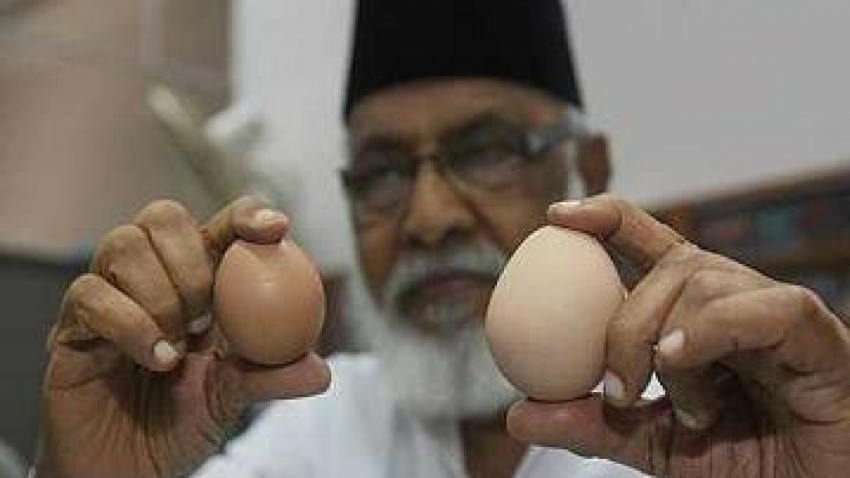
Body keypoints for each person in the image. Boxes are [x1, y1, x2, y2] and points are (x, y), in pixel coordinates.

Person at [32, 0, 850, 477]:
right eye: (381, 172)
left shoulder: (725, 431)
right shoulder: (322, 430)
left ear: (588, 167)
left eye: (487, 150)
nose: (427, 219)